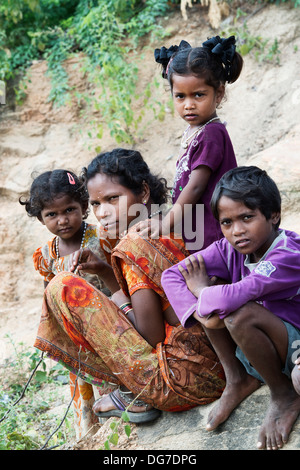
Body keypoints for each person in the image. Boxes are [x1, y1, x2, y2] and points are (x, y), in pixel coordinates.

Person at [32, 149, 225, 428]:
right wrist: (103, 271)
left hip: (179, 379)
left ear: (143, 192)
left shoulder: (134, 244)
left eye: (113, 198)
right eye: (97, 203)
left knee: (61, 288)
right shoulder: (169, 223)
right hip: (214, 365)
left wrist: (110, 309)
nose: (103, 212)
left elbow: (149, 335)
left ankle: (133, 394)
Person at [161, 166, 300, 450]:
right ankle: (237, 378)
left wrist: (201, 292)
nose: (237, 231)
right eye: (226, 222)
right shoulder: (230, 248)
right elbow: (172, 276)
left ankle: (283, 394)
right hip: (261, 346)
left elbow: (235, 296)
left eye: (247, 218)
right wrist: (204, 313)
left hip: (294, 346)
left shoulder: (288, 254)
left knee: (236, 310)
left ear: (274, 215)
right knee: (216, 285)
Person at [19, 169, 110, 439]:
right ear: (40, 217)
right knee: (83, 385)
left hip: (106, 325)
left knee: (109, 380)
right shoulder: (47, 254)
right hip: (74, 336)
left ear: (84, 206)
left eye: (69, 210)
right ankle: (90, 434)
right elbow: (49, 292)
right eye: (51, 215)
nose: (62, 220)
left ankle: (118, 428)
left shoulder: (102, 239)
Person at [137, 36, 242, 253]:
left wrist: (166, 224)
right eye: (180, 96)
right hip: (196, 229)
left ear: (219, 93)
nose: (188, 105)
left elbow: (195, 186)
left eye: (198, 95)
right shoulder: (196, 130)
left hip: (212, 232)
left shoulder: (211, 133)